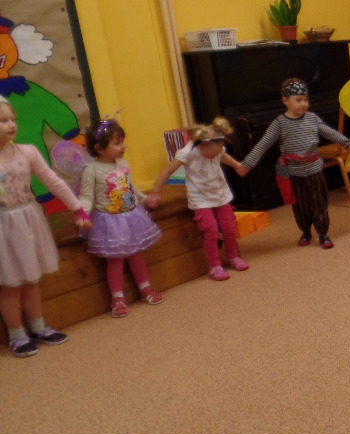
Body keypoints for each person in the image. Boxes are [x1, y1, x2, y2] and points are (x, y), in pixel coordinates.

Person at [0, 96, 91, 357]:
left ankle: (39, 327)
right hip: (3, 226)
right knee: (11, 283)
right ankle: (17, 335)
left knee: (31, 279)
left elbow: (53, 181)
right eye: (3, 120)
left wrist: (76, 207)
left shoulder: (27, 152)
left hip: (28, 220)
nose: (11, 124)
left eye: (12, 119)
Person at [235, 78, 350, 249]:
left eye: (306, 100)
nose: (303, 104)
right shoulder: (280, 123)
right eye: (298, 100)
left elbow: (330, 133)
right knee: (300, 205)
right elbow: (263, 144)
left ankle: (323, 233)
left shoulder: (312, 118)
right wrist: (247, 164)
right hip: (294, 173)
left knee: (319, 202)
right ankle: (306, 230)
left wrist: (349, 143)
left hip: (314, 169)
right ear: (285, 101)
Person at [79, 115, 164, 318]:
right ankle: (117, 298)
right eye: (117, 143)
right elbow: (86, 196)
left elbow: (131, 188)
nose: (123, 146)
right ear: (99, 148)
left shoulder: (123, 164)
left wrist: (144, 199)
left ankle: (145, 288)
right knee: (115, 260)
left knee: (136, 254)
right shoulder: (91, 169)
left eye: (123, 141)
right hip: (109, 221)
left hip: (131, 217)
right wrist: (81, 213)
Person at [146, 117, 249, 281]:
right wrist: (155, 192)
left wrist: (237, 165)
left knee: (229, 228)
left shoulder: (216, 147)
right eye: (213, 154)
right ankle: (214, 266)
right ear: (203, 145)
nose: (216, 156)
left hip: (221, 194)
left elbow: (224, 157)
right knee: (211, 231)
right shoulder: (188, 152)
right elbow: (167, 172)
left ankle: (233, 256)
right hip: (200, 199)